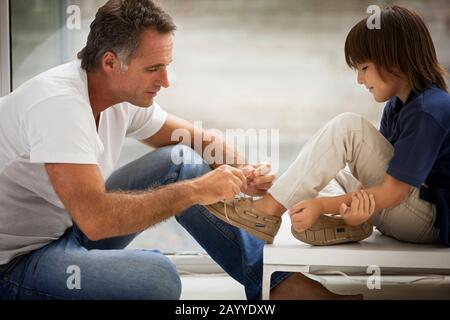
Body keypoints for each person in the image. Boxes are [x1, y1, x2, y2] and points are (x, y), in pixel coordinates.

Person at [0, 0, 362, 300]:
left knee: (181, 159)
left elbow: (197, 140)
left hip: (67, 230)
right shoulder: (60, 106)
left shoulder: (119, 94)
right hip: (16, 262)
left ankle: (278, 285)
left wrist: (245, 174)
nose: (166, 81)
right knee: (159, 280)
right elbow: (96, 220)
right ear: (110, 63)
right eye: (153, 69)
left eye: (167, 67)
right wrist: (194, 192)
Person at [211, 5, 450, 247]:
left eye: (364, 68)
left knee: (349, 128)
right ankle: (345, 222)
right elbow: (370, 175)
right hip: (402, 210)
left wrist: (322, 205)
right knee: (320, 175)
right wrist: (353, 209)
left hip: (430, 222)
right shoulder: (397, 106)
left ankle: (265, 212)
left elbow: (392, 193)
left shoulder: (429, 110)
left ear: (396, 60)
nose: (359, 79)